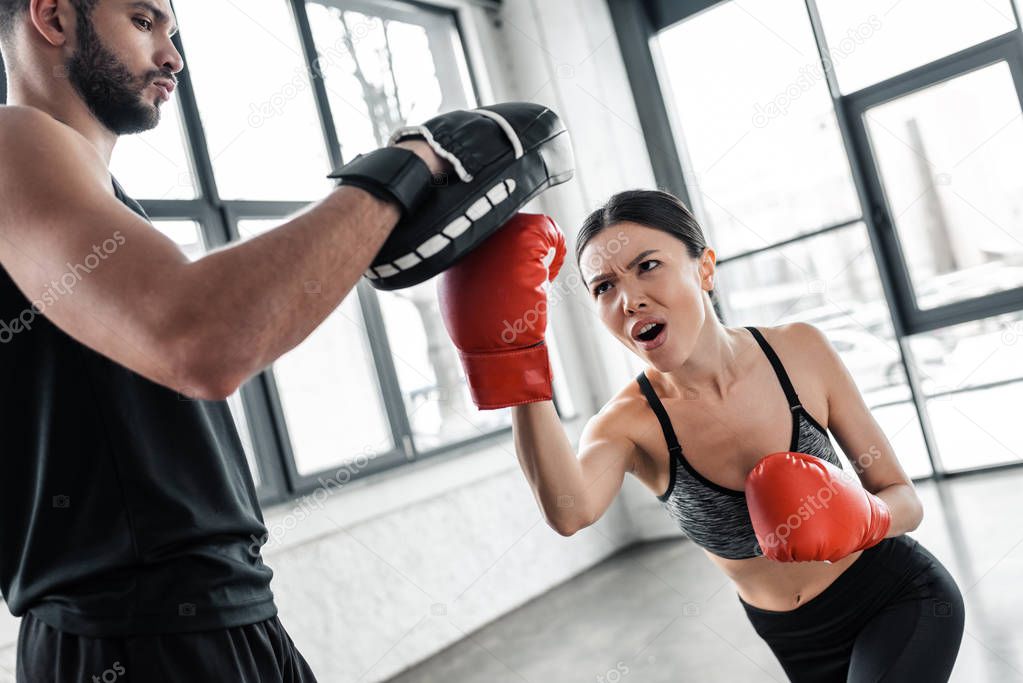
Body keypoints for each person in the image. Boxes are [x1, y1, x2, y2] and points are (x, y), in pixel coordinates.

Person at [0, 0, 563, 679]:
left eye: (172, 33)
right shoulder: (13, 144)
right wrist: (411, 166)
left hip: (216, 616)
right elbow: (198, 337)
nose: (173, 56)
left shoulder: (88, 191)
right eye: (145, 20)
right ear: (54, 18)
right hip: (133, 637)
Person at [437, 193, 966, 682]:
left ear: (704, 268)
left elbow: (905, 500)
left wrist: (864, 520)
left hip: (897, 595)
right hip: (793, 640)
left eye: (648, 266)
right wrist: (514, 362)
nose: (629, 299)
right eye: (604, 287)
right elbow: (569, 512)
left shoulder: (799, 352)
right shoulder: (627, 425)